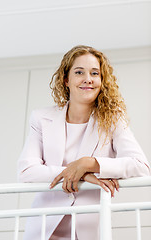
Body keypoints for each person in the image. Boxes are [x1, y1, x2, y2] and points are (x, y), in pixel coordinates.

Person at [18, 45, 150, 240]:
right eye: (79, 72)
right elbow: (26, 171)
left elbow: (141, 166)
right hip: (44, 228)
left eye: (94, 73)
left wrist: (89, 163)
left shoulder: (113, 120)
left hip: (88, 229)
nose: (88, 78)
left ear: (102, 81)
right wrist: (81, 175)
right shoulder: (41, 118)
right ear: (66, 80)